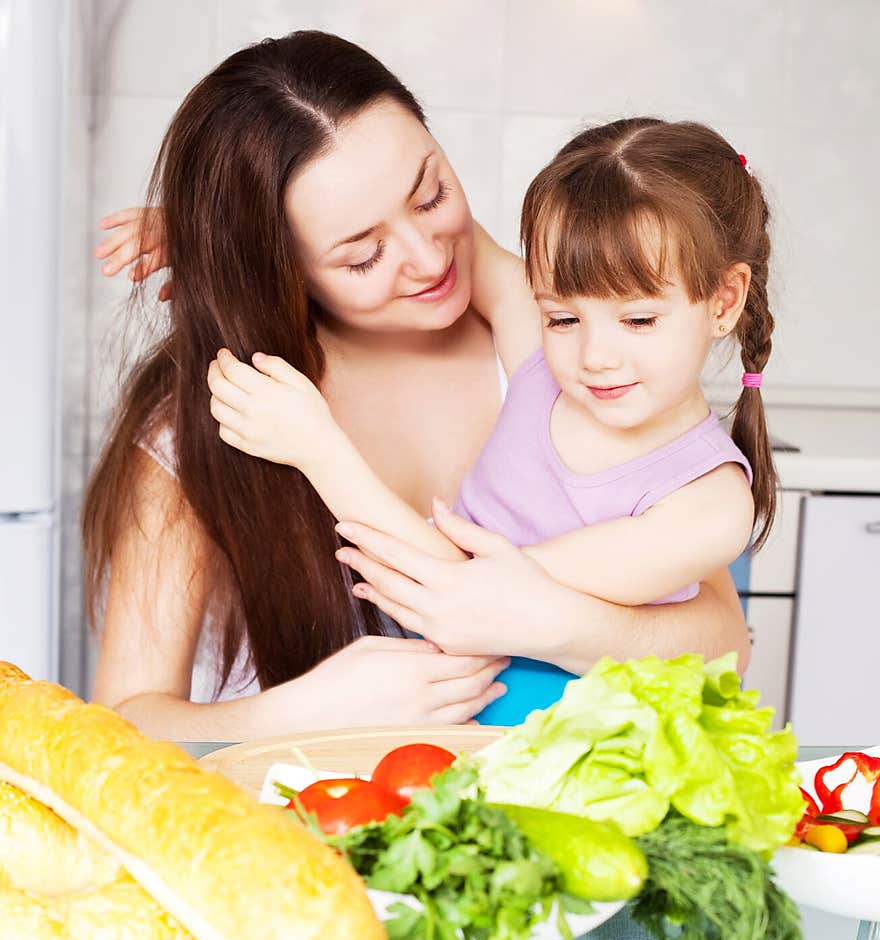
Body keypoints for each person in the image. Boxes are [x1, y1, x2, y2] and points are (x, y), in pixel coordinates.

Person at [88, 31, 750, 742]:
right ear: (282, 266)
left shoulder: (569, 345)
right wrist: (305, 712)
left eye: (430, 194)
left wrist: (558, 622)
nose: (430, 257)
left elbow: (721, 643)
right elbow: (121, 725)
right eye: (363, 254)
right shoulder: (233, 414)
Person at [202, 116, 774, 724]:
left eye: (637, 320)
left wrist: (317, 448)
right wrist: (227, 227)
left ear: (725, 301)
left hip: (591, 766)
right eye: (562, 317)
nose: (595, 357)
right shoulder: (537, 350)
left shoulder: (711, 504)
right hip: (455, 741)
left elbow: (468, 593)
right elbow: (431, 237)